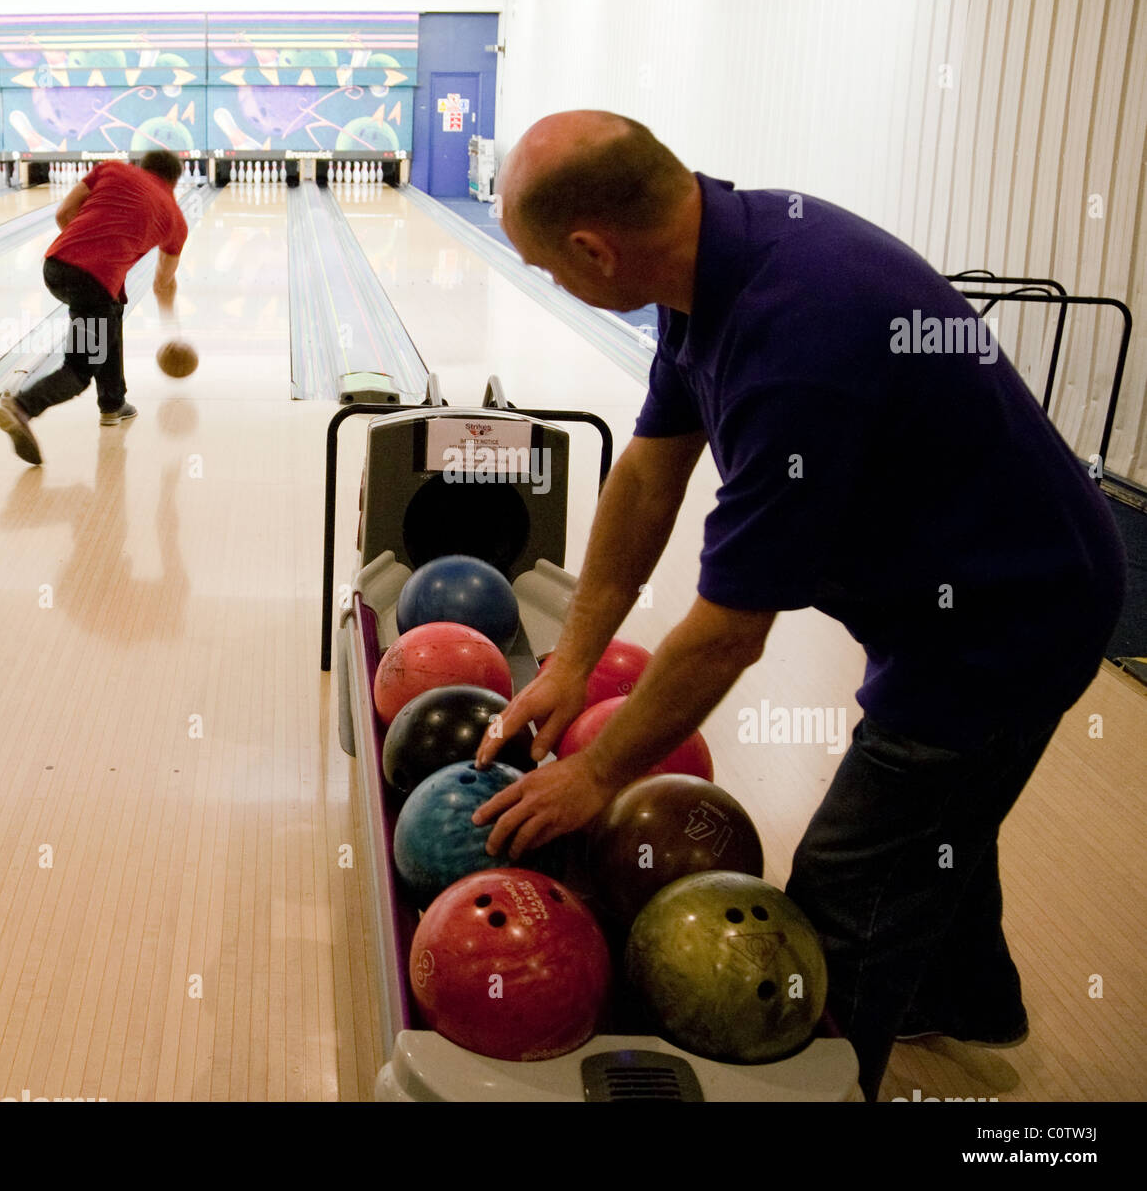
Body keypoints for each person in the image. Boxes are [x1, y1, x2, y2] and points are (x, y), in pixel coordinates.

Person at [472, 110, 1126, 1101]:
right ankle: (971, 1000)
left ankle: (824, 1084)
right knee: (937, 822)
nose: (555, 285)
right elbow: (649, 478)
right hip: (950, 594)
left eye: (548, 268)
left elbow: (730, 631)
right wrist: (570, 663)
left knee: (845, 897)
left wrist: (599, 771)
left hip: (1007, 623)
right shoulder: (712, 261)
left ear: (594, 248)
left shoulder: (798, 339)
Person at [0, 149, 187, 464]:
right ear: (175, 182)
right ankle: (22, 407)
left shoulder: (112, 169)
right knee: (79, 370)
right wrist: (172, 328)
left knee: (112, 307)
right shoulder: (176, 220)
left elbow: (63, 215)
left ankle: (113, 402)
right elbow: (163, 283)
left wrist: (86, 251)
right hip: (92, 285)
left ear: (140, 166)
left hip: (56, 266)